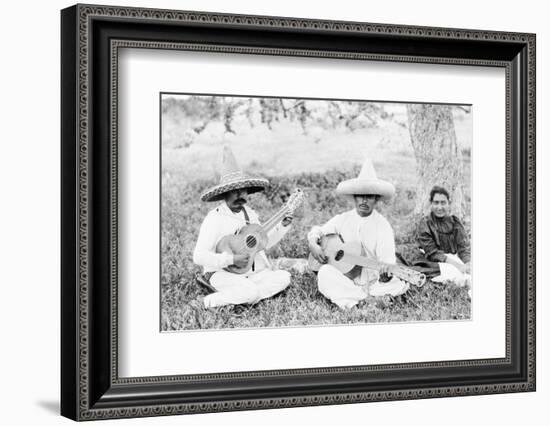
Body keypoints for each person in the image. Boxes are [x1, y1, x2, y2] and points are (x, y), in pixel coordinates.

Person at [193, 146, 293, 308]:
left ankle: (241, 295)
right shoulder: (215, 218)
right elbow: (199, 256)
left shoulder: (250, 214)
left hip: (248, 273)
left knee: (284, 277)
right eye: (235, 192)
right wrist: (231, 259)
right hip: (221, 273)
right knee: (251, 292)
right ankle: (206, 302)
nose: (241, 196)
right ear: (225, 194)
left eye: (243, 191)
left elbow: (261, 244)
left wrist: (282, 226)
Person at [307, 158, 409, 309]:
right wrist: (313, 244)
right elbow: (318, 230)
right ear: (354, 197)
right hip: (346, 276)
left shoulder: (382, 226)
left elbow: (387, 262)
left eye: (369, 196)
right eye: (360, 196)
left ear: (376, 199)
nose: (364, 201)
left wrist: (386, 276)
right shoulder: (343, 219)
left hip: (374, 281)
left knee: (393, 286)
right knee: (325, 273)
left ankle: (354, 299)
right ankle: (368, 300)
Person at [416, 185, 471, 290]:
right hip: (435, 261)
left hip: (454, 257)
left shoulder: (455, 222)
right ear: (431, 204)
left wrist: (468, 263)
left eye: (443, 203)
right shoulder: (425, 224)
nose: (439, 207)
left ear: (448, 203)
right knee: (456, 274)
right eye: (436, 203)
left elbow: (463, 247)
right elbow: (433, 253)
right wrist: (458, 266)